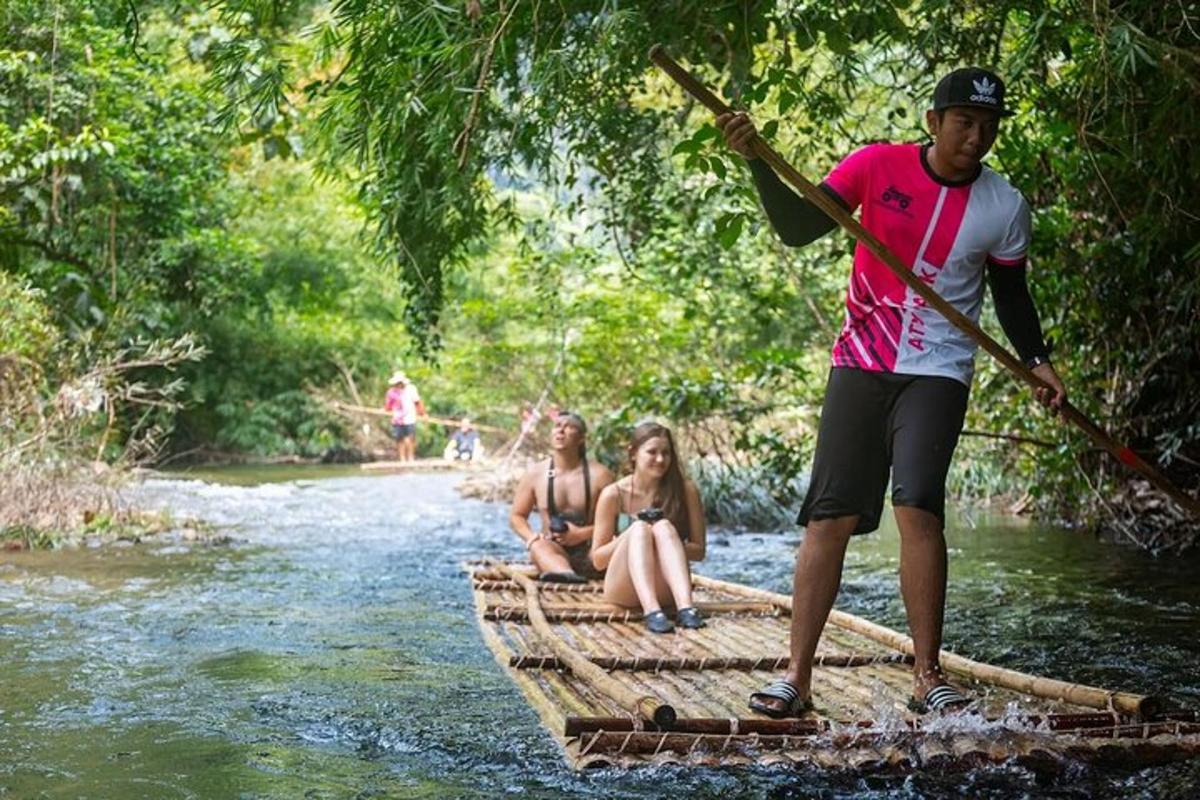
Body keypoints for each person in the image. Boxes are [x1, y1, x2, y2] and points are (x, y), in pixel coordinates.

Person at [717, 67, 1067, 716]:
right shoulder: (875, 166)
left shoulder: (1004, 206)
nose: (976, 136)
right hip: (861, 360)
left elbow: (1011, 295)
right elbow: (799, 228)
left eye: (988, 126)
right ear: (933, 122)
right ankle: (796, 677)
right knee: (830, 517)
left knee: (918, 508)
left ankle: (927, 675)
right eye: (964, 121)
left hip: (938, 369)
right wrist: (756, 159)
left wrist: (1037, 360)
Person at [590, 421, 708, 634]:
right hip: (623, 589)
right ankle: (651, 610)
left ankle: (686, 609)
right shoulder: (613, 494)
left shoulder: (686, 491)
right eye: (652, 452)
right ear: (633, 453)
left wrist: (662, 541)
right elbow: (598, 560)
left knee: (662, 527)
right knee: (639, 529)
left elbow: (699, 551)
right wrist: (632, 535)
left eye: (666, 453)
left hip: (667, 590)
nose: (660, 459)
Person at [509, 412, 614, 583]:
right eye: (557, 426)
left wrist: (581, 534)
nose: (561, 431)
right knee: (537, 546)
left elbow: (620, 523)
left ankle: (568, 573)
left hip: (592, 550)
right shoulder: (535, 474)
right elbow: (517, 516)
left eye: (569, 426)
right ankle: (566, 574)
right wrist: (531, 537)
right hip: (553, 550)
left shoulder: (601, 475)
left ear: (581, 438)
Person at [383, 371, 424, 462]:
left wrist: (422, 413)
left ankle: (411, 457)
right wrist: (386, 409)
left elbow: (417, 402)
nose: (399, 385)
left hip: (410, 418)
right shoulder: (391, 392)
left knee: (410, 438)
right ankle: (402, 458)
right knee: (399, 439)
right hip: (397, 419)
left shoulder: (411, 389)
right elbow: (388, 406)